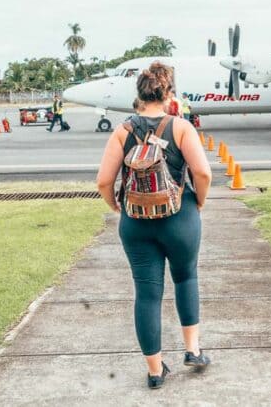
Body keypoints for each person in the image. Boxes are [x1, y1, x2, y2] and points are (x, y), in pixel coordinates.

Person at [97, 61, 213, 389]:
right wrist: (198, 201)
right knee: (186, 277)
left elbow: (104, 180)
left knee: (147, 293)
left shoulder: (122, 131)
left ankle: (154, 370)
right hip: (180, 217)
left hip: (135, 222)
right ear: (169, 94)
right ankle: (192, 351)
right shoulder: (180, 127)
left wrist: (117, 206)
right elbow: (203, 173)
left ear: (139, 94)